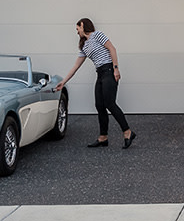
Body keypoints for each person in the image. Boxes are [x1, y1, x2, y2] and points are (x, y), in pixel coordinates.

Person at [56, 18, 136, 148]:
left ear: (83, 25)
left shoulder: (97, 35)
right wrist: (63, 82)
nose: (77, 32)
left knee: (110, 103)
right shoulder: (84, 46)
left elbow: (112, 49)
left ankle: (127, 132)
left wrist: (116, 69)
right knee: (99, 105)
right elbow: (75, 67)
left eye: (77, 29)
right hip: (100, 74)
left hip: (109, 70)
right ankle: (103, 137)